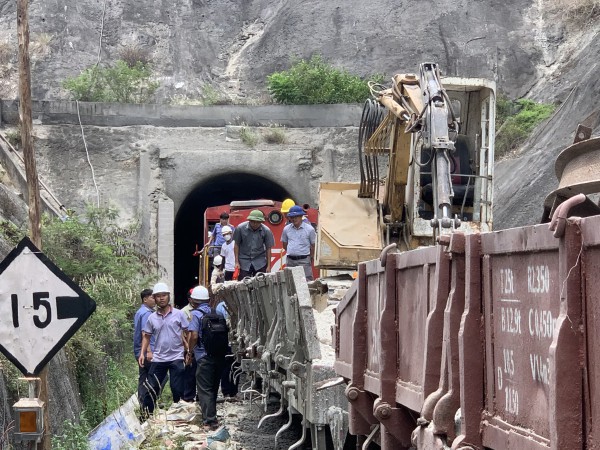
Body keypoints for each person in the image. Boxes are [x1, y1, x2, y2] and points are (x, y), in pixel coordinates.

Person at [138, 282, 190, 415]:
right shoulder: (151, 318)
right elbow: (146, 336)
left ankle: (179, 416)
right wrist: (143, 353)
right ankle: (147, 416)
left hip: (176, 357)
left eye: (164, 295)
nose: (161, 298)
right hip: (159, 358)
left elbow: (187, 331)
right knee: (151, 388)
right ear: (154, 299)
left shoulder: (179, 314)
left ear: (168, 297)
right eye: (158, 296)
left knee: (177, 388)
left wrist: (188, 349)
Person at [188, 285, 226, 431]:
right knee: (214, 387)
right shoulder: (217, 313)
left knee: (204, 389)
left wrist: (189, 351)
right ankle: (213, 418)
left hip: (204, 357)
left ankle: (209, 421)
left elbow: (194, 335)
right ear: (208, 300)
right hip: (219, 356)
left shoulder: (196, 315)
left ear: (193, 301)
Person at [233, 209, 275, 279]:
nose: (255, 224)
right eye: (253, 222)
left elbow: (268, 248)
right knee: (244, 283)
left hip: (260, 260)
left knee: (261, 283)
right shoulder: (240, 228)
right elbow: (236, 245)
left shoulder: (266, 231)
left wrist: (269, 266)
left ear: (261, 222)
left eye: (258, 222)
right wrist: (236, 262)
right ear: (249, 220)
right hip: (244, 261)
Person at [281, 205, 316, 281]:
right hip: (290, 261)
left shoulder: (309, 229)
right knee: (290, 282)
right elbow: (284, 244)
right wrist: (293, 251)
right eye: (292, 217)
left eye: (296, 217)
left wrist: (311, 257)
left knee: (307, 282)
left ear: (301, 216)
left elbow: (313, 245)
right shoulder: (286, 229)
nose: (294, 219)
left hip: (304, 260)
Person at [133, 288, 155, 403]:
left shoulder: (140, 311)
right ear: (145, 299)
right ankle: (149, 402)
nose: (155, 299)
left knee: (143, 378)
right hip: (146, 352)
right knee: (158, 377)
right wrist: (149, 351)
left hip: (139, 351)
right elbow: (145, 333)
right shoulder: (146, 313)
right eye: (152, 297)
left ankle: (142, 404)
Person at [181, 288, 198, 403]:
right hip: (190, 345)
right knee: (190, 372)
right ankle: (188, 396)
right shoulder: (184, 311)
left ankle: (199, 396)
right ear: (189, 299)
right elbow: (184, 332)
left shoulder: (201, 310)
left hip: (199, 346)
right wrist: (187, 348)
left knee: (199, 372)